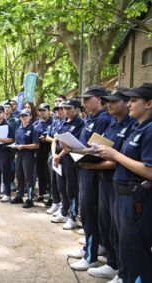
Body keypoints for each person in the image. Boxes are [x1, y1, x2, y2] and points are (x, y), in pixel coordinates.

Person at [96, 83, 152, 283]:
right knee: (124, 245)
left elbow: (150, 170)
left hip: (137, 198)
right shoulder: (137, 127)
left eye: (134, 100)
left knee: (136, 248)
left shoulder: (150, 129)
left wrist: (116, 155)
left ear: (149, 104)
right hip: (121, 194)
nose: (129, 104)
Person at [79, 89, 135, 280]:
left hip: (118, 183)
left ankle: (122, 270)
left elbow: (118, 158)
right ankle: (112, 263)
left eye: (113, 101)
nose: (108, 104)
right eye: (107, 101)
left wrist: (91, 164)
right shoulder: (112, 124)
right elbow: (102, 148)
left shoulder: (133, 126)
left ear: (126, 103)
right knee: (107, 225)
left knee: (120, 230)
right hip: (105, 180)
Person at [69, 86, 112, 271]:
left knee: (90, 212)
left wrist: (80, 150)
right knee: (88, 212)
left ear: (99, 99)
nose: (84, 102)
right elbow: (84, 143)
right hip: (85, 168)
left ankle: (91, 255)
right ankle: (92, 246)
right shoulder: (91, 118)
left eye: (88, 98)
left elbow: (99, 149)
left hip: (94, 171)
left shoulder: (104, 119)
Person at [50, 100, 84, 229]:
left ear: (76, 109)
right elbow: (55, 139)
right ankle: (64, 211)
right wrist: (54, 155)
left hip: (70, 160)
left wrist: (60, 155)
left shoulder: (80, 124)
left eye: (68, 108)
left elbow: (71, 145)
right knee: (61, 186)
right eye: (64, 108)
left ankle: (73, 216)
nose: (66, 110)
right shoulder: (62, 123)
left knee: (72, 189)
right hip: (59, 159)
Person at [10, 109, 40, 208]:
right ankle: (19, 195)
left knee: (29, 177)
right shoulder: (18, 128)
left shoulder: (33, 129)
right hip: (18, 154)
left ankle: (30, 198)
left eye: (25, 115)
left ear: (30, 116)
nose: (23, 117)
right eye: (22, 116)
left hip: (28, 155)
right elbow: (17, 141)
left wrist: (23, 146)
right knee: (19, 176)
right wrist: (15, 145)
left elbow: (36, 145)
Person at [45, 102, 66, 215]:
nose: (59, 111)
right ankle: (55, 202)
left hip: (63, 154)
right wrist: (53, 154)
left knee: (61, 182)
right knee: (53, 180)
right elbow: (51, 137)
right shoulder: (56, 122)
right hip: (53, 153)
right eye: (57, 109)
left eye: (62, 109)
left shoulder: (66, 123)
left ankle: (63, 205)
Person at [34, 103, 53, 204]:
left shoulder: (53, 122)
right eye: (40, 110)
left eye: (44, 110)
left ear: (49, 111)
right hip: (38, 151)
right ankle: (41, 193)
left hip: (49, 150)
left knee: (49, 174)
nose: (41, 112)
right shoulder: (36, 123)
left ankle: (51, 195)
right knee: (40, 173)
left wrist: (46, 139)